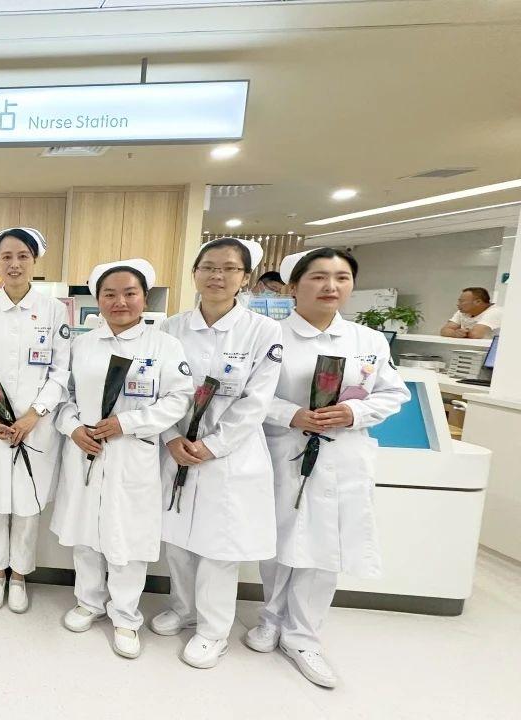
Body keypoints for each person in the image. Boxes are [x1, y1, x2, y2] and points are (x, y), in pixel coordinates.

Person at [246, 248, 409, 688]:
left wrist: (354, 413)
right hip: (286, 449)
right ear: (294, 286)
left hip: (343, 455)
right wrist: (291, 414)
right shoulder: (270, 336)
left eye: (341, 277)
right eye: (318, 277)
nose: (331, 286)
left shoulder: (367, 341)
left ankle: (303, 636)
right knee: (280, 539)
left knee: (325, 546)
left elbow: (393, 394)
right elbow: (250, 396)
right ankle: (270, 618)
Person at [150, 237, 283, 668]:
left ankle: (213, 630)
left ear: (244, 278)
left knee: (217, 546)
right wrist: (171, 437)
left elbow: (257, 401)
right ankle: (184, 608)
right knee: (177, 538)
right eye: (208, 266)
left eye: (229, 268)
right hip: (176, 448)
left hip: (229, 456)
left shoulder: (263, 332)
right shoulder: (171, 329)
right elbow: (158, 390)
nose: (217, 276)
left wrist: (212, 445)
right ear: (195, 273)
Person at [52, 258, 191, 659]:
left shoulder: (164, 346)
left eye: (130, 293)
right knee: (86, 532)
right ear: (97, 300)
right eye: (110, 294)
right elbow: (64, 395)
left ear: (144, 298)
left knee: (127, 538)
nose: (120, 302)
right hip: (87, 451)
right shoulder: (83, 344)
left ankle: (126, 616)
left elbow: (179, 399)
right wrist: (73, 428)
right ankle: (89, 602)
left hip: (133, 454)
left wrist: (127, 423)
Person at [0, 228, 70, 614]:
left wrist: (34, 414)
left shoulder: (54, 311)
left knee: (28, 504)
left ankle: (20, 574)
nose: (14, 264)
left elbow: (61, 371)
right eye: (6, 257)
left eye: (22, 256)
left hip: (36, 426)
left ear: (34, 261)